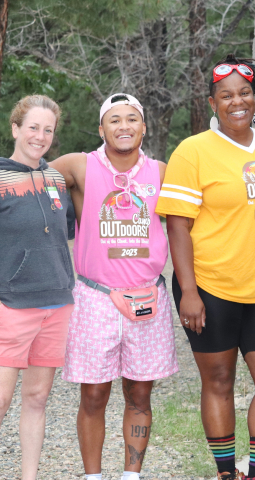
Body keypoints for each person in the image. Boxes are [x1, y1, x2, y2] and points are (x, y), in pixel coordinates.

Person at [155, 54, 255, 480]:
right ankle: (224, 473)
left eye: (244, 93)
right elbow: (177, 227)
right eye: (225, 96)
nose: (236, 102)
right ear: (213, 102)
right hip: (212, 289)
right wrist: (189, 292)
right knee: (218, 381)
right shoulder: (193, 151)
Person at [51, 93, 178, 480]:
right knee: (93, 395)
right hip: (96, 297)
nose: (124, 126)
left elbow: (191, 221)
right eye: (115, 120)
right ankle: (92, 477)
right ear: (101, 127)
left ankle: (131, 475)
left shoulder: (161, 170)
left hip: (147, 296)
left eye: (132, 119)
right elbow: (27, 176)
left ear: (144, 126)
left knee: (140, 394)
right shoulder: (80, 166)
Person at [0, 95, 75, 480]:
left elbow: (68, 235)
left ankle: (29, 476)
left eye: (47, 130)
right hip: (11, 305)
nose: (40, 136)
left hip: (57, 302)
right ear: (15, 129)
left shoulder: (57, 179)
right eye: (32, 127)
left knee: (37, 398)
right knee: (1, 399)